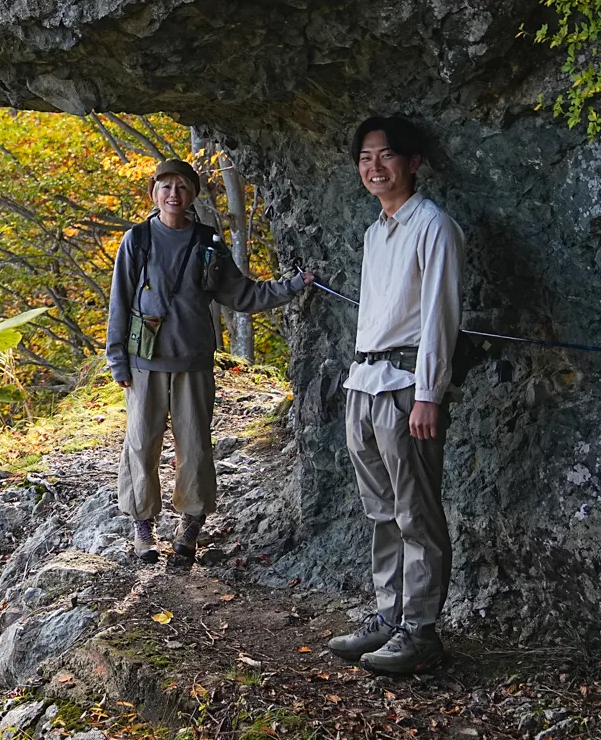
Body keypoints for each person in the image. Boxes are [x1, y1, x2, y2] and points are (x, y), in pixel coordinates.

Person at [106, 158, 311, 568]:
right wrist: (118, 360)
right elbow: (120, 301)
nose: (173, 195)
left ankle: (190, 526)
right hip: (145, 361)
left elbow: (242, 295)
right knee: (142, 443)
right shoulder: (138, 240)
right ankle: (142, 526)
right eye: (165, 187)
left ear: (193, 194)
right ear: (153, 193)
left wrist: (293, 287)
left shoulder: (207, 242)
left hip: (194, 360)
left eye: (182, 187)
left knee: (195, 445)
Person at [327, 115, 464, 675]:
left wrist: (430, 392)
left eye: (385, 155)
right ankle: (389, 617)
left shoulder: (433, 225)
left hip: (408, 385)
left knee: (416, 513)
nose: (373, 166)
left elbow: (439, 315)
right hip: (364, 381)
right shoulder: (374, 232)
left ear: (412, 162)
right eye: (364, 157)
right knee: (381, 511)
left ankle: (421, 631)